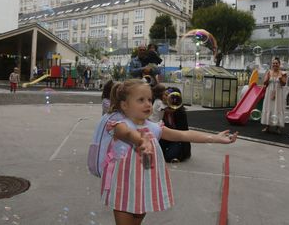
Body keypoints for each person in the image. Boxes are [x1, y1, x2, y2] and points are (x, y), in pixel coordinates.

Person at [101, 79, 237, 225]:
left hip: (145, 184)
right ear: (124, 105)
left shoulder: (154, 127)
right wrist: (140, 141)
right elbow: (128, 134)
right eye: (141, 100)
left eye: (149, 99)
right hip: (125, 184)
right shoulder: (119, 125)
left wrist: (215, 138)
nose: (148, 104)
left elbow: (184, 134)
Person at [159, 87, 192, 162]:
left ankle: (182, 152)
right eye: (164, 94)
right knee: (157, 154)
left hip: (178, 138)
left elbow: (183, 132)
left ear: (175, 99)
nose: (164, 97)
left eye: (167, 95)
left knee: (169, 157)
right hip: (166, 137)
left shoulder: (180, 112)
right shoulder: (160, 108)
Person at [261, 58, 287, 134]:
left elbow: (283, 84)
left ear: (279, 64)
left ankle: (278, 127)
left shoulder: (283, 73)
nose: (275, 65)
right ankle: (267, 126)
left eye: (276, 63)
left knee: (278, 107)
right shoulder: (269, 72)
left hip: (278, 93)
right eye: (273, 63)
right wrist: (267, 77)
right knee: (269, 107)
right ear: (271, 64)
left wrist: (280, 77)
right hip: (269, 92)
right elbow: (265, 83)